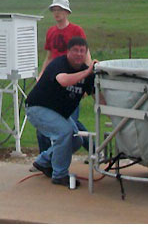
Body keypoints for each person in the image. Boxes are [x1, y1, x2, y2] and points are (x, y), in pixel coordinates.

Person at [25, 37, 98, 188]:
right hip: (37, 107)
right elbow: (63, 80)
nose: (79, 54)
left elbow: (97, 97)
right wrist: (87, 71)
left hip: (58, 112)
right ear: (68, 52)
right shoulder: (59, 64)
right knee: (64, 132)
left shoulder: (87, 74)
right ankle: (60, 175)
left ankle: (43, 162)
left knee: (76, 139)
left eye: (82, 51)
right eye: (75, 50)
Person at [36, 0, 91, 153]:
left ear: (67, 12)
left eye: (60, 10)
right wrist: (41, 75)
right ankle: (45, 158)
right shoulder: (51, 31)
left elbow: (85, 53)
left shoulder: (76, 30)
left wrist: (87, 78)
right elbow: (49, 57)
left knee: (69, 121)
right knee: (51, 119)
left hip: (72, 79)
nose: (57, 13)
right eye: (54, 10)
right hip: (55, 81)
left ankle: (94, 149)